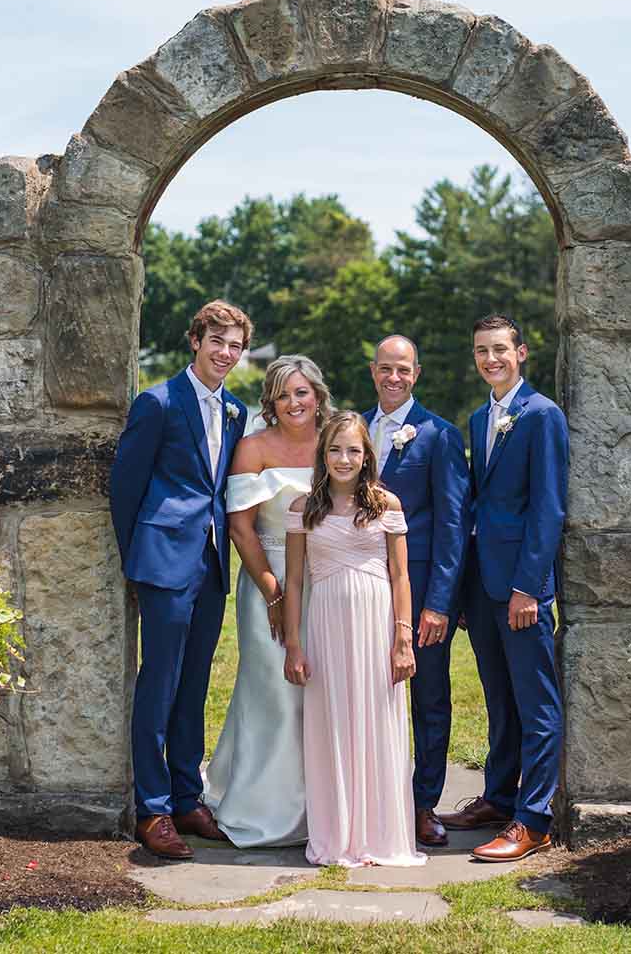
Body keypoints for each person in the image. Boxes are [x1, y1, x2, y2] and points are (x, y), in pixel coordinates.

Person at [109, 300, 251, 860]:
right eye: (216, 340)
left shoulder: (237, 409)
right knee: (160, 683)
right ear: (195, 340)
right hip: (164, 562)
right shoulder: (159, 402)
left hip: (213, 562)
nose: (226, 352)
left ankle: (189, 798)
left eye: (235, 344)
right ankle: (154, 808)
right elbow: (125, 489)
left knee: (194, 685)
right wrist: (138, 562)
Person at [439, 314, 568, 862]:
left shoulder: (542, 416)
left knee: (536, 702)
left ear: (521, 353)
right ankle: (497, 797)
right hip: (483, 587)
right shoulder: (477, 418)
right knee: (499, 699)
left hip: (520, 589)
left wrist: (527, 588)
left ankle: (533, 819)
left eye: (499, 349)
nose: (490, 359)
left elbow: (548, 509)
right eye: (480, 351)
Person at [283, 411, 425, 868]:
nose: (344, 459)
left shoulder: (388, 507)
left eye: (353, 450)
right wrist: (294, 643)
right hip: (325, 624)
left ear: (367, 457)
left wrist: (403, 639)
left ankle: (380, 834)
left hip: (376, 622)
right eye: (335, 450)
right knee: (333, 723)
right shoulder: (303, 509)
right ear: (322, 455)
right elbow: (295, 582)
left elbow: (401, 576)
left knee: (376, 719)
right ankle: (337, 833)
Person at [203, 355, 332, 846]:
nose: (293, 402)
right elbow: (240, 526)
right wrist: (273, 591)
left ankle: (324, 806)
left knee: (321, 693)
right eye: (282, 394)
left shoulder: (335, 442)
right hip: (268, 580)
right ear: (270, 402)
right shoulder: (253, 448)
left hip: (326, 580)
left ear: (317, 395)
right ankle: (266, 808)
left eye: (301, 392)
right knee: (274, 694)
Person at [362, 335, 471, 847]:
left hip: (422, 587)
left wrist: (440, 603)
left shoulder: (439, 435)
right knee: (365, 693)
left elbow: (453, 525)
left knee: (428, 697)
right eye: (386, 368)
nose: (394, 377)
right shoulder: (352, 430)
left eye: (403, 370)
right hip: (360, 586)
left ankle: (424, 802)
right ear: (373, 370)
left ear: (417, 373)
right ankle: (370, 798)